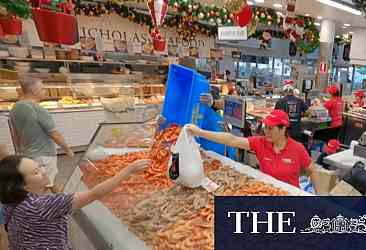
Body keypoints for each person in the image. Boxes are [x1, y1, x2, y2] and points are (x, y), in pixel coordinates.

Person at [0, 156, 149, 249]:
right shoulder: (42, 206)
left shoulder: (9, 202)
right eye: (36, 172)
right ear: (23, 186)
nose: (44, 171)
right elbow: (95, 193)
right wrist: (129, 170)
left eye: (40, 167)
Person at [186, 109, 320, 189]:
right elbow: (232, 140)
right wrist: (200, 132)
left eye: (270, 128)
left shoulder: (298, 149)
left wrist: (320, 199)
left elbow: (312, 171)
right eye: (265, 127)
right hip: (266, 192)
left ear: (283, 128)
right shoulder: (261, 143)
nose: (265, 131)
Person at [9, 78, 74, 189]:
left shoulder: (15, 108)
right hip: (44, 155)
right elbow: (54, 134)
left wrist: (20, 151)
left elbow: (16, 133)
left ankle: (64, 201)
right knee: (45, 185)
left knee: (47, 183)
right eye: (42, 89)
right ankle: (56, 204)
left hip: (28, 154)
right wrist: (67, 150)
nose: (45, 91)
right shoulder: (38, 109)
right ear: (34, 91)